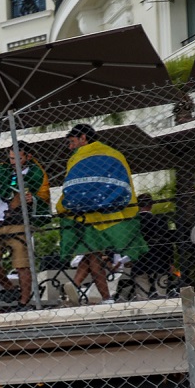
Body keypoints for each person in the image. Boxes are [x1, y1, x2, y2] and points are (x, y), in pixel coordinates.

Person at [58, 122, 142, 303]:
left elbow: (70, 188)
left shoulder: (77, 158)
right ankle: (82, 291)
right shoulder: (114, 153)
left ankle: (92, 293)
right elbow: (125, 183)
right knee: (91, 255)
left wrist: (61, 207)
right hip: (110, 215)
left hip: (86, 217)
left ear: (83, 138)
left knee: (92, 256)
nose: (70, 147)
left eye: (72, 142)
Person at [0, 145, 46, 308]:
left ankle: (24, 300)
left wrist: (33, 199)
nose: (14, 162)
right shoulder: (1, 170)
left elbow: (43, 195)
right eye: (11, 158)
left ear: (28, 157)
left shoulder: (35, 173)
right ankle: (10, 288)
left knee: (21, 263)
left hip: (19, 223)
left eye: (18, 158)